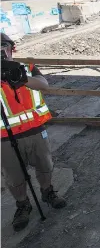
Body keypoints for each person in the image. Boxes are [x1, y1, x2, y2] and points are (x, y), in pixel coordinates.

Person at [1, 33, 66, 232]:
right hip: (5, 137)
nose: (1, 51)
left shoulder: (26, 68)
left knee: (45, 165)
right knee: (14, 176)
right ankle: (23, 205)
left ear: (12, 48)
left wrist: (21, 78)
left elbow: (43, 84)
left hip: (35, 131)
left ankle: (47, 192)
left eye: (3, 45)